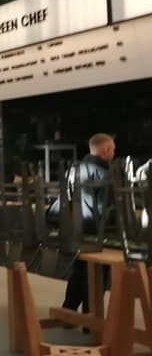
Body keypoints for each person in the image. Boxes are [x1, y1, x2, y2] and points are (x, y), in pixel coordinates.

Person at [60, 133, 116, 312]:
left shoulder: (74, 169)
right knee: (99, 272)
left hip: (75, 231)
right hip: (97, 235)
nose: (114, 153)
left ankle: (69, 310)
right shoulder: (106, 174)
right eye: (113, 149)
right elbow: (108, 210)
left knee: (80, 270)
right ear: (105, 150)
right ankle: (91, 316)